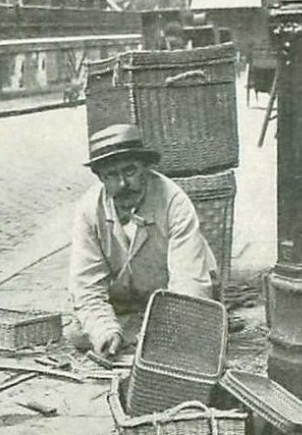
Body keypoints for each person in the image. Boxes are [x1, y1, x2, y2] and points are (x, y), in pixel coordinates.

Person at [68, 124, 217, 357]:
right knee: (80, 334)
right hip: (126, 302)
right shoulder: (89, 210)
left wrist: (166, 335)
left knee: (191, 343)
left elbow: (189, 284)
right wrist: (105, 331)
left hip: (173, 297)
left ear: (145, 168)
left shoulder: (174, 202)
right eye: (111, 175)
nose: (122, 185)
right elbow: (86, 285)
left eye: (130, 171)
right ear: (100, 178)